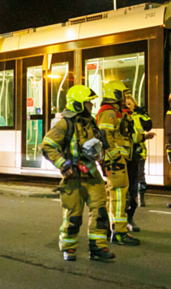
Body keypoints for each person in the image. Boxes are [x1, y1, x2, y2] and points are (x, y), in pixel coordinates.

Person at [41, 85, 116, 262]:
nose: (91, 105)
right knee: (73, 215)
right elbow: (47, 145)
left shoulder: (90, 122)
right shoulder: (64, 123)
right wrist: (63, 165)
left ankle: (98, 248)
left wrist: (105, 163)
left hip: (91, 174)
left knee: (100, 212)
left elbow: (98, 147)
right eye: (88, 102)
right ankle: (69, 247)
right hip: (73, 176)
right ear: (78, 104)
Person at [97, 80, 139, 246]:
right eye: (122, 94)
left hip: (115, 161)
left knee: (113, 196)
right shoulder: (109, 112)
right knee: (119, 196)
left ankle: (111, 228)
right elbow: (105, 135)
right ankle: (120, 232)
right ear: (115, 94)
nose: (124, 97)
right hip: (115, 162)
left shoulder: (114, 111)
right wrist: (115, 157)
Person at [124, 92, 154, 228]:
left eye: (130, 104)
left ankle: (129, 218)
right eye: (126, 104)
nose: (128, 107)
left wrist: (142, 114)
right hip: (124, 156)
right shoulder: (120, 116)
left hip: (137, 153)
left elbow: (147, 125)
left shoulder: (136, 116)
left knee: (134, 185)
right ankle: (118, 222)